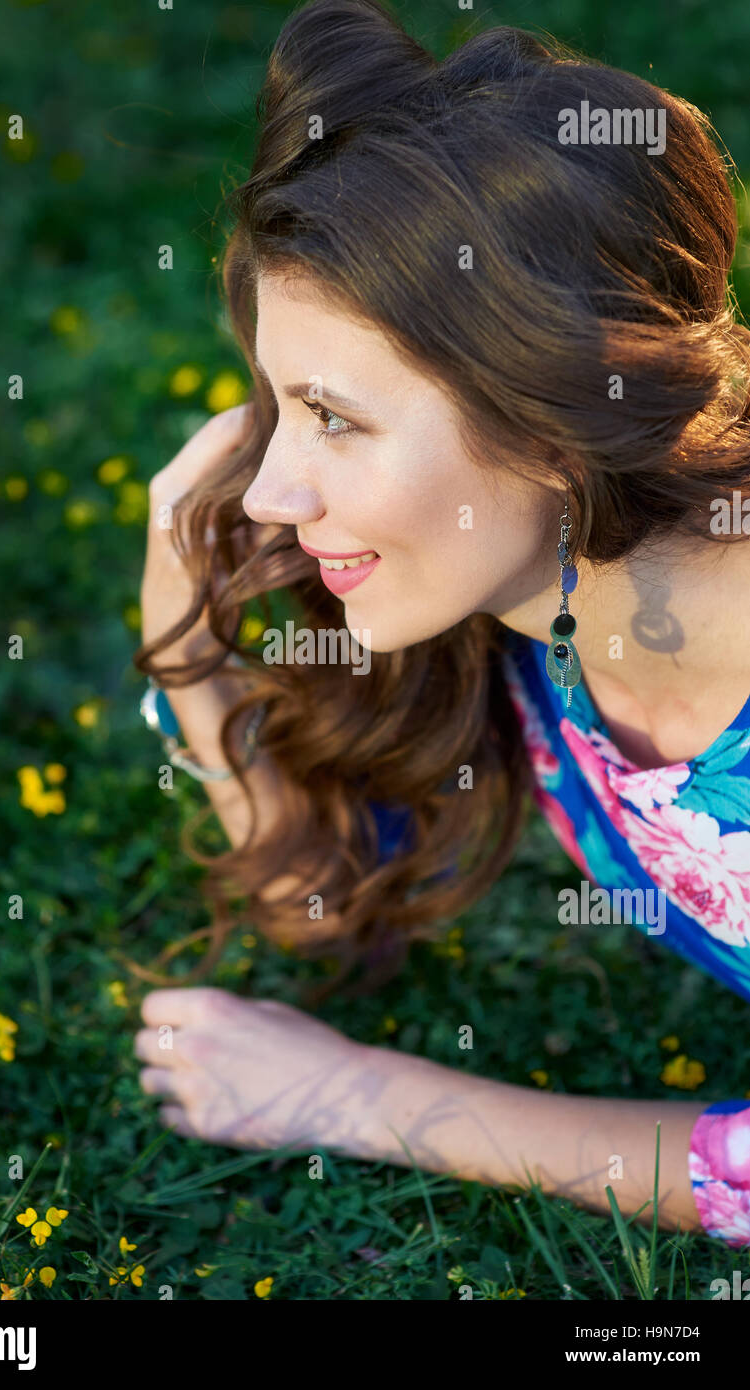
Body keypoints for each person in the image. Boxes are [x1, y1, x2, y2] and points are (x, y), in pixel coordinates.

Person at [133, 1, 750, 1250]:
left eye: (335, 415)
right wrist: (173, 579)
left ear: (549, 420)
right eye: (274, 405)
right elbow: (315, 889)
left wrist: (362, 1095)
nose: (267, 490)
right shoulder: (528, 608)